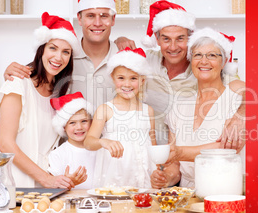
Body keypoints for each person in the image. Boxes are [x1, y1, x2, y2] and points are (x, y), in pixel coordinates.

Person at [115, 0, 246, 151]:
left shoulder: (203, 68)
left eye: (180, 38)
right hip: (146, 153)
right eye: (166, 39)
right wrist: (119, 40)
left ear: (190, 39)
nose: (173, 47)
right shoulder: (144, 61)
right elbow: (116, 70)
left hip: (184, 157)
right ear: (156, 39)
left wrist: (240, 117)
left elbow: (244, 90)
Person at [151, 27, 246, 189]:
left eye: (212, 55)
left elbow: (227, 148)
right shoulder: (179, 105)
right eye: (198, 55)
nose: (204, 61)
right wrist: (166, 177)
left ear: (223, 62)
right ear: (191, 61)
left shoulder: (236, 96)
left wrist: (180, 152)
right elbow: (175, 167)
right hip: (187, 196)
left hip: (224, 190)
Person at [0, 12, 80, 188]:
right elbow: (5, 144)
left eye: (66, 52)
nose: (58, 57)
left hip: (49, 188)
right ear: (41, 49)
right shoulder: (18, 84)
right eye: (53, 48)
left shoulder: (60, 92)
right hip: (18, 186)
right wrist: (46, 179)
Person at [3, 0, 135, 109]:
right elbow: (39, 81)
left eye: (104, 16)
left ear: (113, 19)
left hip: (114, 140)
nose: (97, 23)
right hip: (68, 141)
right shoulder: (63, 60)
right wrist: (15, 73)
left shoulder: (126, 59)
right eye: (90, 15)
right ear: (79, 18)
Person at [84, 47, 157, 188]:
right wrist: (103, 142)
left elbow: (152, 144)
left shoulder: (148, 111)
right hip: (115, 179)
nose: (127, 84)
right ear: (113, 78)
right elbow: (88, 142)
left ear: (142, 81)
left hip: (144, 179)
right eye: (121, 78)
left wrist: (158, 170)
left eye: (133, 78)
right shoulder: (105, 109)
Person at [47, 92, 96, 189]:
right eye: (72, 123)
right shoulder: (58, 154)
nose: (79, 127)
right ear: (64, 126)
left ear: (91, 122)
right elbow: (54, 188)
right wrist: (69, 182)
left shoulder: (99, 149)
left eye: (84, 121)